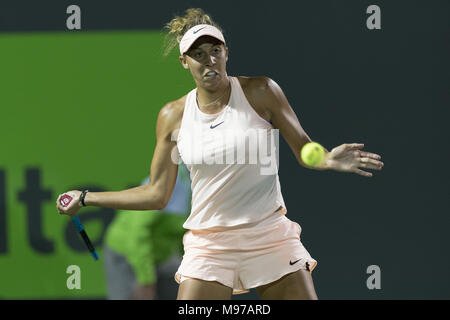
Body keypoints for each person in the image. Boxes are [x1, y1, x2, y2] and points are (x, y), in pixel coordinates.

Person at [56, 8, 384, 300]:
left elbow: (304, 150)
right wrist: (86, 198)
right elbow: (157, 194)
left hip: (269, 234)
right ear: (185, 62)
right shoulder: (173, 116)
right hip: (210, 245)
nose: (209, 60)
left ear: (226, 52)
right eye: (198, 54)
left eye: (215, 50)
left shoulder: (261, 91)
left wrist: (326, 159)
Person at [103, 163, 191, 300]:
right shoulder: (168, 181)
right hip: (127, 252)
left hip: (162, 255)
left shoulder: (200, 185)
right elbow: (138, 235)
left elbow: (186, 234)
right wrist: (146, 281)